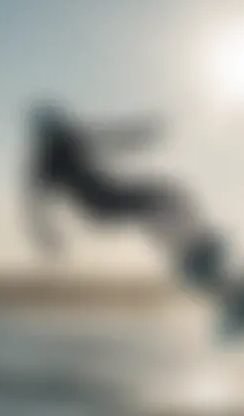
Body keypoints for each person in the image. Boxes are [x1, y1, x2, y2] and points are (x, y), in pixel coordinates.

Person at [23, 99, 225, 290]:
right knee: (166, 197)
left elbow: (111, 137)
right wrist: (46, 235)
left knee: (158, 206)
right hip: (105, 201)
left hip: (105, 202)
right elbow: (36, 205)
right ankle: (191, 254)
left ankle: (190, 257)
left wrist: (47, 236)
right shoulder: (50, 159)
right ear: (51, 130)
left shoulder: (54, 154)